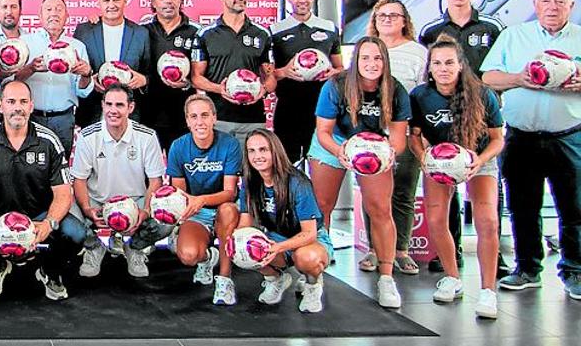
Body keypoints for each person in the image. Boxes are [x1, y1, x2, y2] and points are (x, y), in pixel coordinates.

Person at [481, 0, 581, 301]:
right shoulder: (514, 35)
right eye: (546, 1)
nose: (552, 7)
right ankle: (527, 269)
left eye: (560, 2)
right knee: (523, 206)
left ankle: (575, 271)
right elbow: (488, 76)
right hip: (521, 137)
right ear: (536, 5)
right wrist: (519, 79)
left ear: (571, 7)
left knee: (574, 208)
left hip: (569, 136)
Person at [0, 80, 86, 299]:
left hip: (39, 213)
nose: (18, 107)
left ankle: (49, 272)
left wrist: (48, 224)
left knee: (77, 233)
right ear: (1, 106)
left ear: (31, 106)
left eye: (23, 102)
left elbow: (63, 194)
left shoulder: (49, 141)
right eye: (11, 101)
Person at [418, 0, 508, 276]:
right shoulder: (430, 32)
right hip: (443, 134)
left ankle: (494, 260)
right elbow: (425, 78)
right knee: (444, 201)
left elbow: (500, 70)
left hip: (480, 123)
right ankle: (449, 255)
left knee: (487, 204)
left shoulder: (492, 27)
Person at [310, 35, 410, 309]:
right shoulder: (336, 85)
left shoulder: (395, 89)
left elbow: (399, 140)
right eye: (365, 57)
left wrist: (387, 153)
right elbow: (324, 132)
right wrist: (340, 153)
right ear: (356, 61)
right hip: (335, 141)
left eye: (377, 58)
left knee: (380, 208)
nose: (372, 63)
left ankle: (386, 277)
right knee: (321, 206)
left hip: (373, 144)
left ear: (385, 61)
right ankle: (315, 273)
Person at [409, 38, 505, 318]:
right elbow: (414, 137)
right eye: (437, 63)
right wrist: (424, 158)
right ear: (429, 68)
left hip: (477, 160)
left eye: (449, 62)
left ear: (461, 65)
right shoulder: (420, 96)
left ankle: (488, 291)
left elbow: (498, 139)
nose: (443, 68)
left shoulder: (483, 94)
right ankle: (452, 277)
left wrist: (480, 160)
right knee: (437, 220)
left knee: (487, 221)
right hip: (439, 162)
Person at [71, 83, 169, 278]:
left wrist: (145, 211)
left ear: (130, 108)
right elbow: (79, 180)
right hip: (97, 200)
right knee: (69, 221)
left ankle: (134, 247)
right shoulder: (87, 136)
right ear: (102, 105)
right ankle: (94, 247)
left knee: (165, 221)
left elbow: (155, 181)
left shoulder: (147, 137)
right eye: (109, 104)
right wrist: (87, 209)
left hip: (134, 201)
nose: (113, 110)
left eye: (119, 105)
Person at [362, 0, 427, 276]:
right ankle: (375, 250)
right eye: (382, 15)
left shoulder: (418, 52)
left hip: (407, 133)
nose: (387, 20)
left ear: (404, 21)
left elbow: (424, 95)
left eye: (394, 15)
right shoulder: (365, 50)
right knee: (372, 197)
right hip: (369, 136)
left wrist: (419, 132)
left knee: (403, 192)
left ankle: (400, 250)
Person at [236, 129, 333, 313]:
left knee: (305, 258)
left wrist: (278, 248)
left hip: (309, 239)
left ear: (275, 151)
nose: (257, 156)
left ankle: (313, 285)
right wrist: (237, 242)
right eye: (252, 151)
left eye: (263, 149)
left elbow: (309, 233)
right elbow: (244, 224)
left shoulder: (297, 183)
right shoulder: (250, 182)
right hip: (276, 237)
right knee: (244, 250)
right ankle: (276, 279)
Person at [166, 95, 243, 305]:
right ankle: (209, 258)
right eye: (194, 116)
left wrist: (201, 199)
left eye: (205, 115)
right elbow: (179, 192)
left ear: (214, 118)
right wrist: (192, 205)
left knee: (227, 210)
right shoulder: (178, 147)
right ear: (187, 121)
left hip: (223, 208)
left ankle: (225, 280)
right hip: (196, 210)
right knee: (188, 255)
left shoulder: (230, 144)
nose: (200, 122)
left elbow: (230, 192)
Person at [191, 0, 276, 148]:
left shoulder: (261, 34)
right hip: (217, 119)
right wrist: (220, 89)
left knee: (253, 174)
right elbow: (196, 77)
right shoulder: (205, 34)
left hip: (253, 120)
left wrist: (263, 90)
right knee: (219, 174)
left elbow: (271, 77)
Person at [270, 0, 343, 162]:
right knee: (285, 165)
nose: (302, 0)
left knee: (321, 163)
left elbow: (340, 68)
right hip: (288, 109)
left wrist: (335, 73)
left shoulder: (329, 29)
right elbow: (268, 75)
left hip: (322, 109)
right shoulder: (275, 31)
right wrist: (284, 71)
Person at [21, 0, 93, 153]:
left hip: (63, 120)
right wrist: (30, 69)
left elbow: (82, 90)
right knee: (29, 169)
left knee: (61, 170)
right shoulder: (25, 43)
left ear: (67, 16)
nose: (54, 13)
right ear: (40, 16)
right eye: (49, 9)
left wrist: (86, 74)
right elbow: (12, 81)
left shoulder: (77, 46)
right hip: (31, 118)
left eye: (59, 9)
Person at [72, 0, 150, 127]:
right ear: (99, 3)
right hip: (92, 112)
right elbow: (75, 71)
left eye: (116, 0)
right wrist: (89, 81)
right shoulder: (84, 31)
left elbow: (149, 73)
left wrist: (144, 80)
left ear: (125, 1)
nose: (111, 5)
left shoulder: (141, 33)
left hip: (129, 114)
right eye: (106, 0)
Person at [143, 0, 201, 150]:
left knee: (183, 171)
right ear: (153, 2)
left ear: (180, 0)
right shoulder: (142, 31)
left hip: (183, 116)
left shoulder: (197, 32)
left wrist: (188, 83)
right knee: (147, 173)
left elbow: (204, 72)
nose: (168, 1)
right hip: (149, 115)